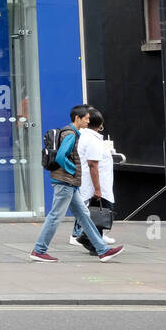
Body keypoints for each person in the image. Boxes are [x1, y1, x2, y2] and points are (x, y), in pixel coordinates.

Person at [30, 104, 123, 262]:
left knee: (84, 215)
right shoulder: (71, 134)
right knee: (55, 216)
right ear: (77, 118)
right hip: (65, 182)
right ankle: (39, 250)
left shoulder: (74, 133)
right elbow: (60, 157)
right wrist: (72, 169)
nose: (88, 121)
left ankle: (102, 250)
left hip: (69, 183)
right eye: (86, 119)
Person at [70, 108, 115, 254]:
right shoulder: (92, 140)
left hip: (93, 183)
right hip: (97, 184)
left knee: (98, 213)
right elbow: (92, 164)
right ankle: (89, 240)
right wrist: (98, 189)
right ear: (100, 123)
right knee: (102, 213)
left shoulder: (86, 137)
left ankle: (92, 243)